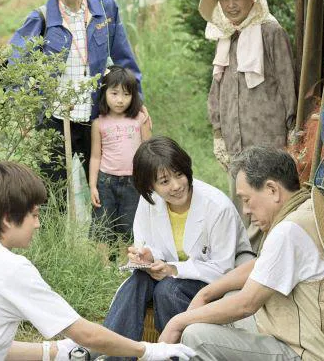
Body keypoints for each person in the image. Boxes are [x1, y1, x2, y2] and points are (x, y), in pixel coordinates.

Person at [0, 162, 195, 361]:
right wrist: (150, 350)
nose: (38, 224)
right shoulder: (8, 268)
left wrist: (54, 351)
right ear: (7, 218)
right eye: (35, 215)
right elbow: (86, 333)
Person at [158, 146, 324, 360]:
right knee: (226, 299)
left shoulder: (288, 231)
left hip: (308, 354)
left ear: (272, 190)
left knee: (196, 337)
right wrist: (205, 294)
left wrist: (177, 322)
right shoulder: (303, 210)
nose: (245, 210)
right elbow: (261, 265)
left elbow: (246, 304)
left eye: (246, 199)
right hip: (311, 337)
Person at [102, 136, 254, 360]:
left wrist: (173, 270)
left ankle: (178, 356)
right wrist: (148, 256)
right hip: (174, 275)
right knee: (137, 281)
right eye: (164, 182)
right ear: (149, 186)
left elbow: (223, 269)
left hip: (218, 281)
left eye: (179, 174)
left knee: (168, 291)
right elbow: (150, 244)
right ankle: (112, 353)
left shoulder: (217, 206)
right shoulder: (150, 201)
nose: (176, 186)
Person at [9, 0, 145, 188]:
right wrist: (21, 110)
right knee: (53, 190)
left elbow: (124, 58)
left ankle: (102, 226)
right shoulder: (41, 18)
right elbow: (15, 65)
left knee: (103, 187)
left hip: (95, 117)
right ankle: (59, 225)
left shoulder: (104, 8)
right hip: (55, 119)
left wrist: (138, 101)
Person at [198, 0, 298, 252]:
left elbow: (286, 82)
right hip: (236, 141)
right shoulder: (225, 36)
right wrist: (218, 131)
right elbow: (217, 89)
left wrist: (292, 129)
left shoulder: (270, 32)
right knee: (244, 205)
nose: (231, 4)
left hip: (267, 139)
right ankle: (247, 265)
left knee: (270, 205)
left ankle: (270, 263)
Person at [89, 65, 151, 245]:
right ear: (105, 93)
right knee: (102, 226)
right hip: (105, 182)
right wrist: (93, 186)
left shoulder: (140, 119)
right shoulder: (99, 123)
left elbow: (148, 152)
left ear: (133, 96)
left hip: (134, 182)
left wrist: (148, 181)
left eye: (126, 94)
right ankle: (103, 269)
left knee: (130, 228)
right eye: (114, 93)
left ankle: (125, 269)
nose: (120, 100)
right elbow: (95, 157)